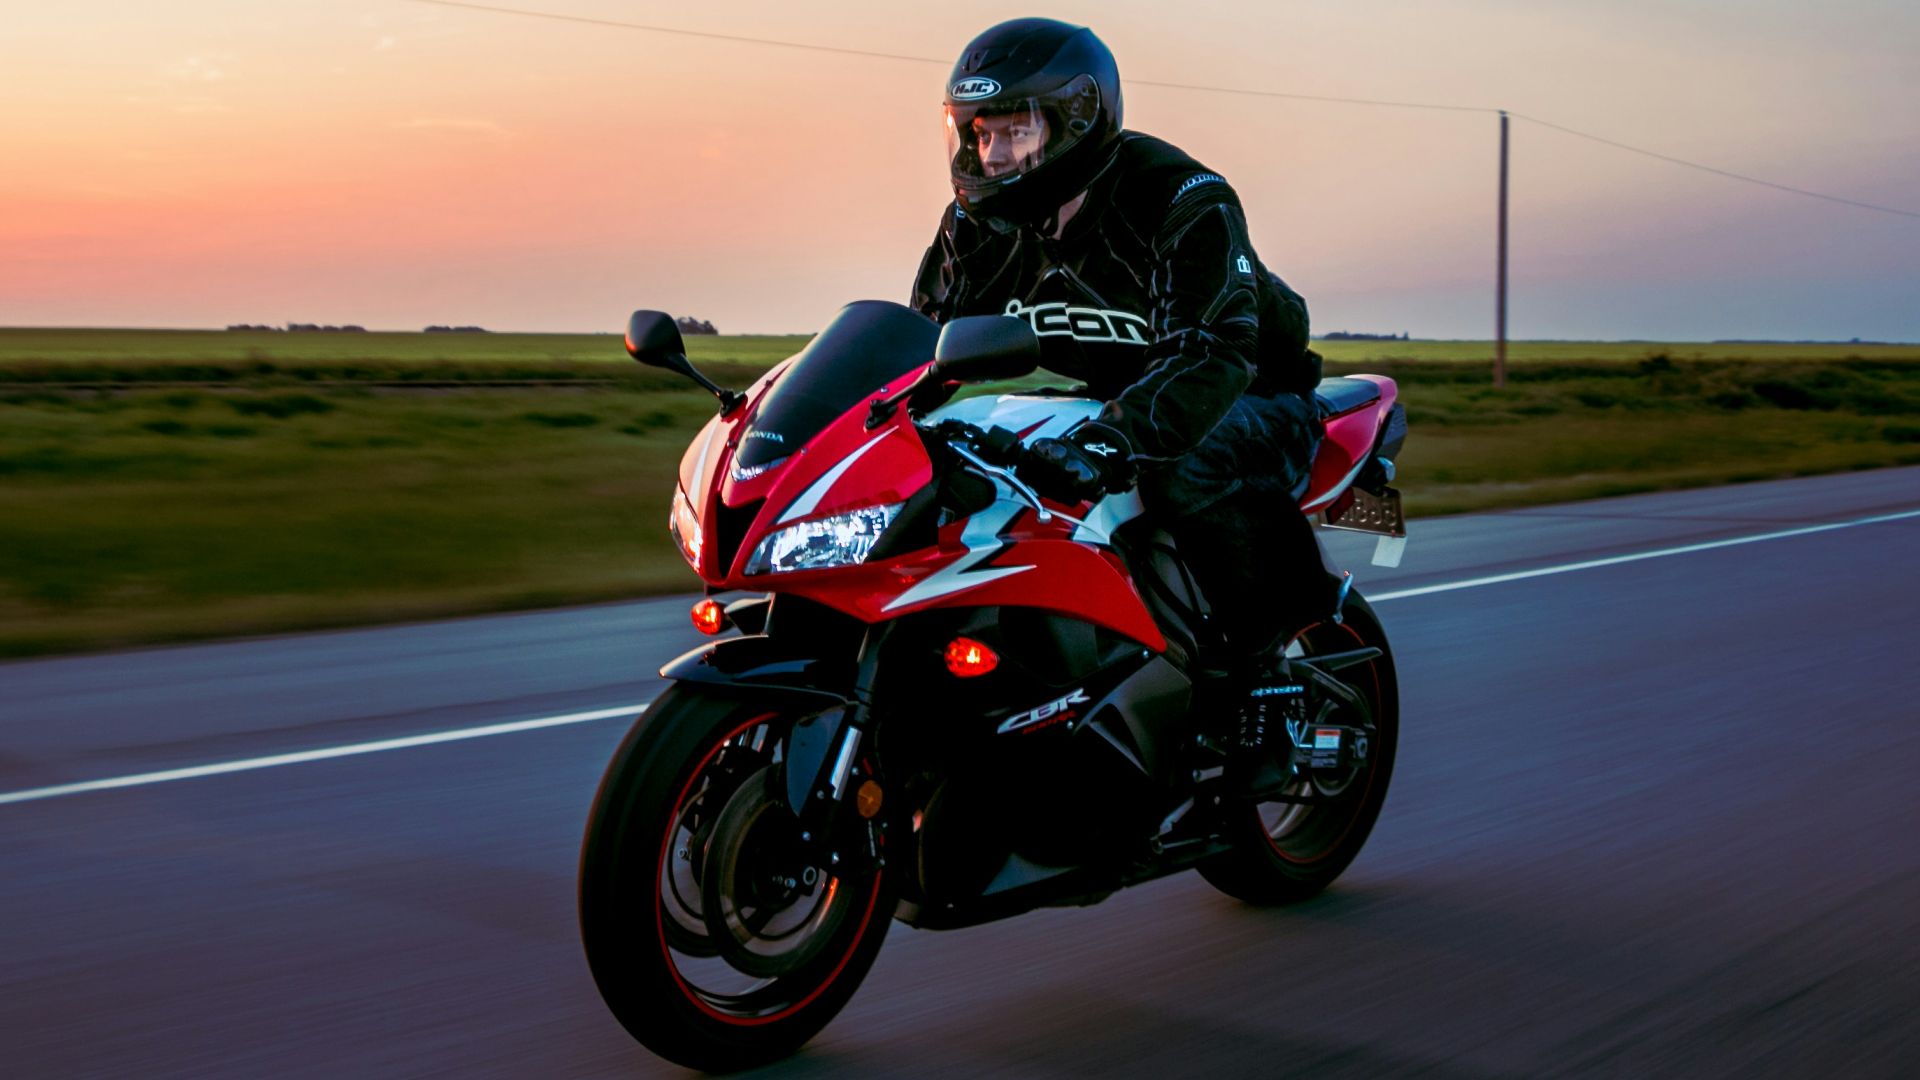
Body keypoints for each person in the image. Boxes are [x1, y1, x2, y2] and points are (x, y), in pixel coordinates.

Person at [910, 16, 1344, 709]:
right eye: (981, 132)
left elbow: (1210, 354)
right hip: (1121, 394)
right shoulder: (979, 225)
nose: (992, 156)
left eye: (1015, 131)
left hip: (1251, 395)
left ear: (1076, 119)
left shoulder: (1181, 198)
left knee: (1176, 465)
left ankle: (1261, 673)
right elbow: (922, 343)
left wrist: (1109, 440)